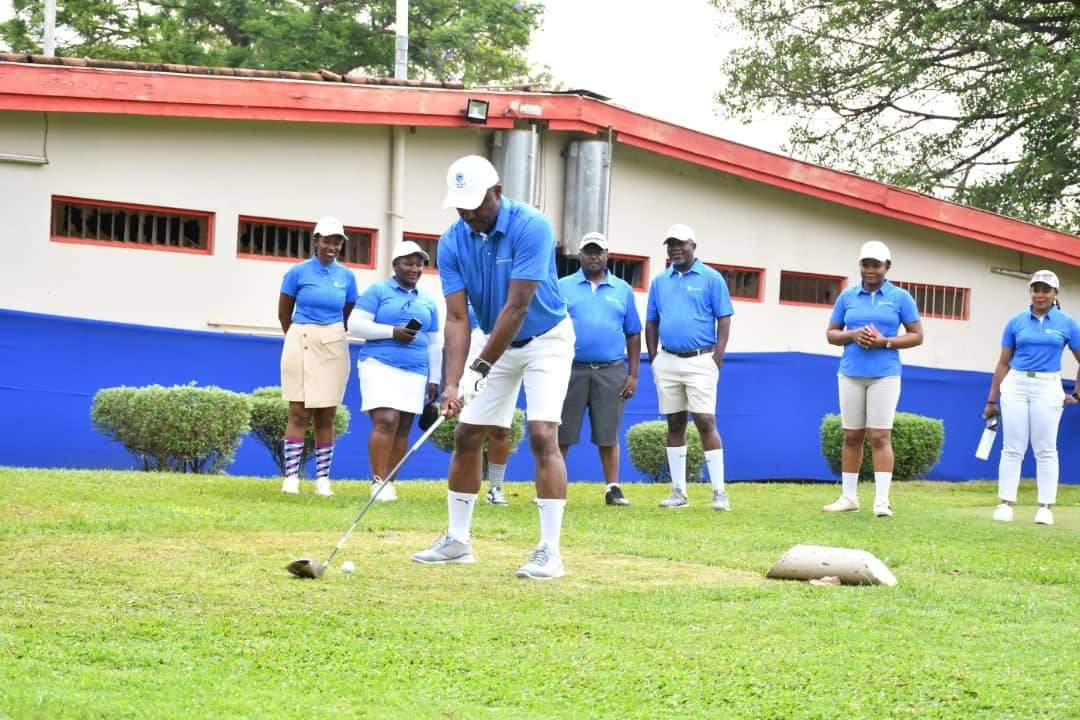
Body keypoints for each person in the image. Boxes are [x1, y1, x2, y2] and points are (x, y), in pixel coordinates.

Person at [411, 155, 575, 580]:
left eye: (475, 205)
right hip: (491, 336)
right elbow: (457, 318)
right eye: (460, 207)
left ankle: (549, 551)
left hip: (546, 339)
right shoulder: (451, 241)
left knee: (542, 434)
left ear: (497, 193)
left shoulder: (531, 226)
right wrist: (452, 383)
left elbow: (518, 306)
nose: (468, 215)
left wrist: (479, 368)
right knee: (466, 434)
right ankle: (457, 541)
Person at [823, 240, 923, 517]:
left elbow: (917, 335)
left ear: (886, 267)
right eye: (865, 264)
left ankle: (881, 501)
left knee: (879, 435)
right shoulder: (848, 297)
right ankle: (849, 497)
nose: (870, 270)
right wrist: (853, 335)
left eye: (875, 265)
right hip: (850, 373)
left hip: (885, 375)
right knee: (851, 435)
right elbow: (831, 333)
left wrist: (885, 342)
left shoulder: (901, 297)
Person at [645, 224, 733, 510]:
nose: (675, 249)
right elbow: (652, 321)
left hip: (701, 359)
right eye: (670, 244)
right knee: (674, 423)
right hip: (668, 359)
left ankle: (719, 492)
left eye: (680, 244)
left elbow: (724, 319)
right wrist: (654, 358)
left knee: (706, 422)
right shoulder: (660, 282)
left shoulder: (711, 278)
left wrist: (716, 359)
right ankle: (678, 492)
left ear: (693, 245)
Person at [984, 270, 1080, 526]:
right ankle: (1005, 503)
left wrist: (1077, 393)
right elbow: (1003, 363)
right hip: (1015, 382)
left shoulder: (1067, 323)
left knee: (1046, 448)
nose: (1040, 294)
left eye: (1046, 290)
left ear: (1055, 294)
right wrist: (991, 401)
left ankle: (1045, 507)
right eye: (1036, 289)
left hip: (1049, 385)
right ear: (1030, 292)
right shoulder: (1016, 322)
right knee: (1012, 447)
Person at [352, 241, 442, 503]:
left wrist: (434, 379)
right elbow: (355, 324)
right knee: (386, 420)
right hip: (379, 364)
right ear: (395, 265)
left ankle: (390, 483)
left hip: (415, 369)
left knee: (403, 427)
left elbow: (435, 341)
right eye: (408, 263)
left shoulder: (427, 300)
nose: (414, 268)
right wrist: (393, 332)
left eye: (419, 264)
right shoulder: (378, 291)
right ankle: (377, 481)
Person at [558, 232, 642, 506]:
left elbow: (633, 333)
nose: (594, 256)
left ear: (607, 255)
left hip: (611, 370)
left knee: (608, 432)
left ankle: (613, 488)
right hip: (571, 369)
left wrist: (633, 374)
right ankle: (554, 486)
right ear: (579, 255)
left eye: (599, 252)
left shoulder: (622, 289)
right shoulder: (563, 286)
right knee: (562, 431)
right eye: (588, 251)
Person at [277, 216, 358, 496]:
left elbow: (348, 310)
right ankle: (291, 477)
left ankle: (322, 478)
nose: (332, 247)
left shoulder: (346, 276)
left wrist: (332, 333)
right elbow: (284, 312)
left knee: (327, 412)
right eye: (327, 240)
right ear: (316, 241)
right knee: (299, 411)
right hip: (300, 337)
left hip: (333, 340)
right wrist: (298, 335)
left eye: (337, 242)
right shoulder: (297, 272)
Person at [464, 302, 513, 506]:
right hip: (474, 361)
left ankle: (495, 488)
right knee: (470, 429)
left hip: (508, 360)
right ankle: (467, 490)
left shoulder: (511, 297)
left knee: (500, 430)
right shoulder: (470, 300)